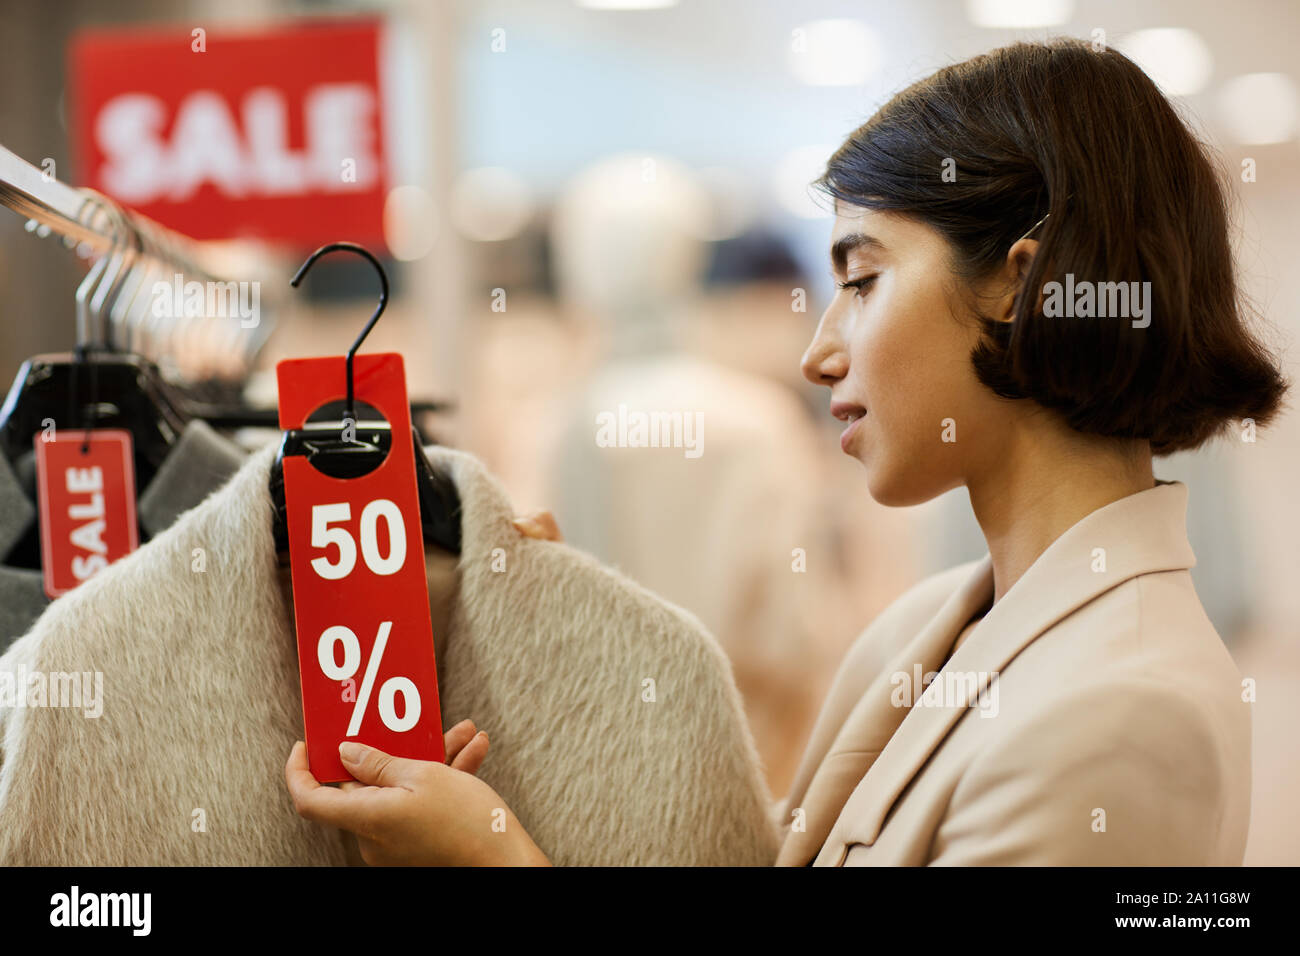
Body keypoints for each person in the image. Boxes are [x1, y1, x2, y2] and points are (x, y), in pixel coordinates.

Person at [286, 37, 1289, 866]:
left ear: (1017, 288)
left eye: (860, 279)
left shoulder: (1119, 711)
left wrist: (496, 856)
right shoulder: (927, 628)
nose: (816, 352)